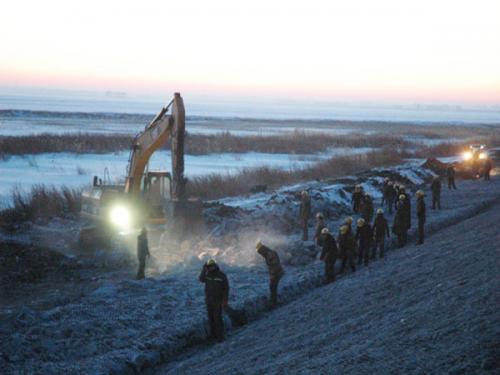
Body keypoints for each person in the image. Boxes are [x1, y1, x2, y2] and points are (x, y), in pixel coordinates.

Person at [199, 259, 229, 342]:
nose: (211, 268)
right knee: (211, 319)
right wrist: (203, 269)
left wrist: (225, 301)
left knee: (217, 319)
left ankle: (220, 336)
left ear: (215, 266)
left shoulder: (221, 275)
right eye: (209, 267)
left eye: (212, 266)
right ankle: (213, 335)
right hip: (209, 300)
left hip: (218, 300)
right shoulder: (207, 275)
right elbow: (201, 279)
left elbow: (226, 289)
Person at [256, 241, 284, 306]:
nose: (261, 254)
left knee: (273, 287)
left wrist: (273, 275)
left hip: (277, 273)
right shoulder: (269, 253)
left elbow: (274, 264)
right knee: (272, 287)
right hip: (275, 273)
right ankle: (274, 301)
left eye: (260, 252)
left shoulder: (270, 254)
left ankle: (274, 302)